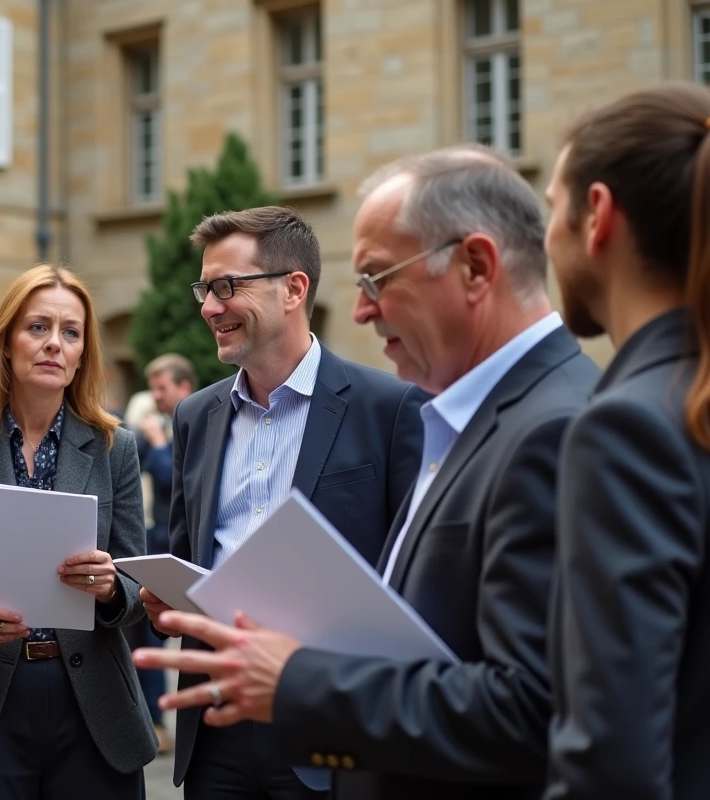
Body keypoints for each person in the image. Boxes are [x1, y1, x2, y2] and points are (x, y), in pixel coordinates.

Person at [137, 148, 601, 800]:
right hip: (225, 717)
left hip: (336, 740)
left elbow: (535, 703)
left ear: (475, 266)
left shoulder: (484, 418)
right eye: (204, 290)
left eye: (379, 278)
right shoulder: (199, 416)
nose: (361, 310)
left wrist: (300, 682)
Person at [140, 206, 426, 799]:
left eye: (226, 287)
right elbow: (190, 549)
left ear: (294, 288)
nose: (208, 307)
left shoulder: (390, 407)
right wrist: (165, 594)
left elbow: (408, 576)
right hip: (214, 725)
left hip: (328, 726)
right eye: (204, 288)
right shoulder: (195, 416)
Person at [0, 264, 156, 799]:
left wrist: (112, 587)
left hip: (92, 702)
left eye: (71, 332)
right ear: (6, 342)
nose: (54, 345)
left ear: (83, 354)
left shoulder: (115, 446)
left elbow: (137, 584)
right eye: (37, 327)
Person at [542, 83, 710, 800]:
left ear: (597, 216)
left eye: (553, 206)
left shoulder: (628, 429)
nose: (548, 235)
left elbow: (611, 764)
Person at [125, 353, 197, 753]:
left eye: (162, 388)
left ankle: (163, 719)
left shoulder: (198, 421)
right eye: (152, 389)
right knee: (142, 635)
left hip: (180, 553)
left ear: (184, 387)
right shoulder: (158, 428)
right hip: (153, 545)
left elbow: (175, 483)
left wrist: (157, 443)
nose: (155, 397)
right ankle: (149, 718)